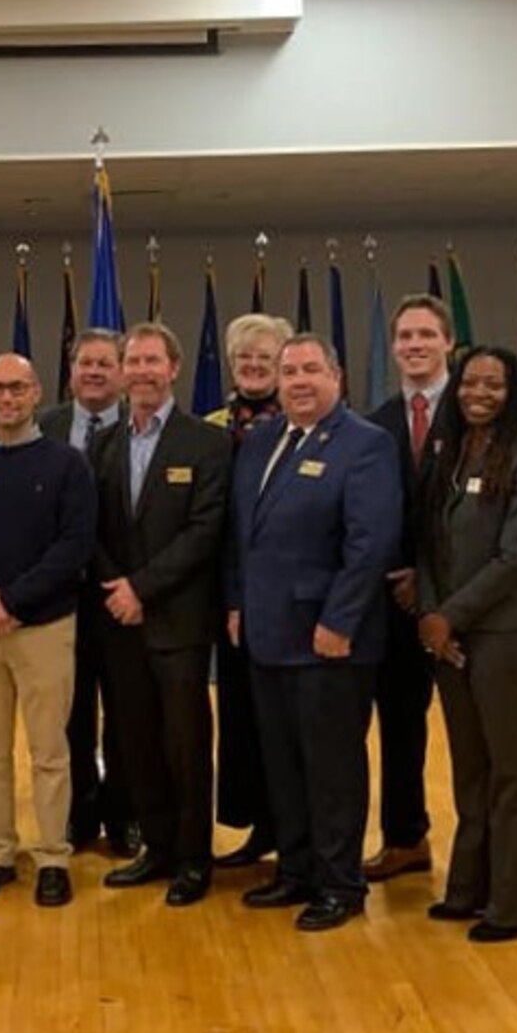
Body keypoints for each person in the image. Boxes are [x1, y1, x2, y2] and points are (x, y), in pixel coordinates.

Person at [228, 333, 402, 933]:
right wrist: (236, 602)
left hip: (328, 638)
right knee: (283, 763)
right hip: (265, 632)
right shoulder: (262, 440)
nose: (299, 381)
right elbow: (240, 533)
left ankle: (340, 883)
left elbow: (370, 543)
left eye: (311, 370)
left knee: (331, 770)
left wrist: (339, 620)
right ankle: (296, 869)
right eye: (289, 371)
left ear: (338, 376)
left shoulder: (365, 445)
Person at [0, 354, 97, 907]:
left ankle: (53, 854)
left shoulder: (66, 464)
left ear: (35, 393)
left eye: (18, 389)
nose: (7, 399)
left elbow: (74, 545)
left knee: (50, 748)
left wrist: (14, 599)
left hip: (44, 625)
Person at [414, 347, 517, 943]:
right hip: (448, 636)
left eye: (493, 384)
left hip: (505, 636)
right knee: (471, 769)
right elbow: (424, 540)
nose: (478, 392)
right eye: (470, 381)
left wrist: (448, 616)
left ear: (514, 391)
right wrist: (430, 613)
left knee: (513, 772)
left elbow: (516, 558)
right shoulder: (446, 453)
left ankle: (516, 904)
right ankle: (468, 889)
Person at [90, 322, 231, 907]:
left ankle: (195, 858)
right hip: (119, 621)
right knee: (135, 740)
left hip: (178, 620)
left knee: (185, 743)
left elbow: (206, 530)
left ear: (173, 368)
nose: (142, 371)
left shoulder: (208, 443)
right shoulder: (104, 445)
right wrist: (116, 588)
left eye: (153, 361)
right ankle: (158, 846)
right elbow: (92, 528)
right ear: (122, 372)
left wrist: (141, 588)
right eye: (133, 361)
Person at [363, 293, 454, 885]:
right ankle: (405, 838)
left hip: (466, 599)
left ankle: (485, 849)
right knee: (399, 723)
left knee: (480, 734)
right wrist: (402, 576)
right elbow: (373, 512)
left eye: (426, 334)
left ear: (449, 343)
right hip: (396, 604)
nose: (415, 345)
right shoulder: (377, 424)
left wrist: (433, 582)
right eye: (405, 337)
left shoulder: (478, 414)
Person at [36, 328, 133, 856]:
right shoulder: (45, 427)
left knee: (124, 713)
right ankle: (78, 815)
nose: (93, 372)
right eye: (84, 363)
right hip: (59, 599)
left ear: (121, 372)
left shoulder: (143, 429)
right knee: (68, 714)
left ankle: (124, 817)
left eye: (104, 364)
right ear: (70, 370)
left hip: (122, 595)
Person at [205, 311, 292, 867]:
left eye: (265, 357)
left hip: (285, 597)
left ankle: (293, 829)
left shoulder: (301, 424)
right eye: (244, 358)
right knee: (240, 716)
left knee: (284, 720)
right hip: (225, 592)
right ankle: (258, 826)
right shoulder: (210, 426)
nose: (254, 366)